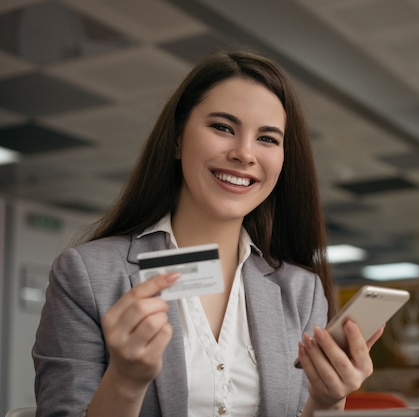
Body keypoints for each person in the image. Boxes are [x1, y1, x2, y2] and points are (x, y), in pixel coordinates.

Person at [32, 50, 384, 417]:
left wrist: (327, 402)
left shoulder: (300, 291)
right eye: (222, 127)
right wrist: (124, 380)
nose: (245, 153)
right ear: (177, 139)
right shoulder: (87, 275)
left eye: (267, 138)